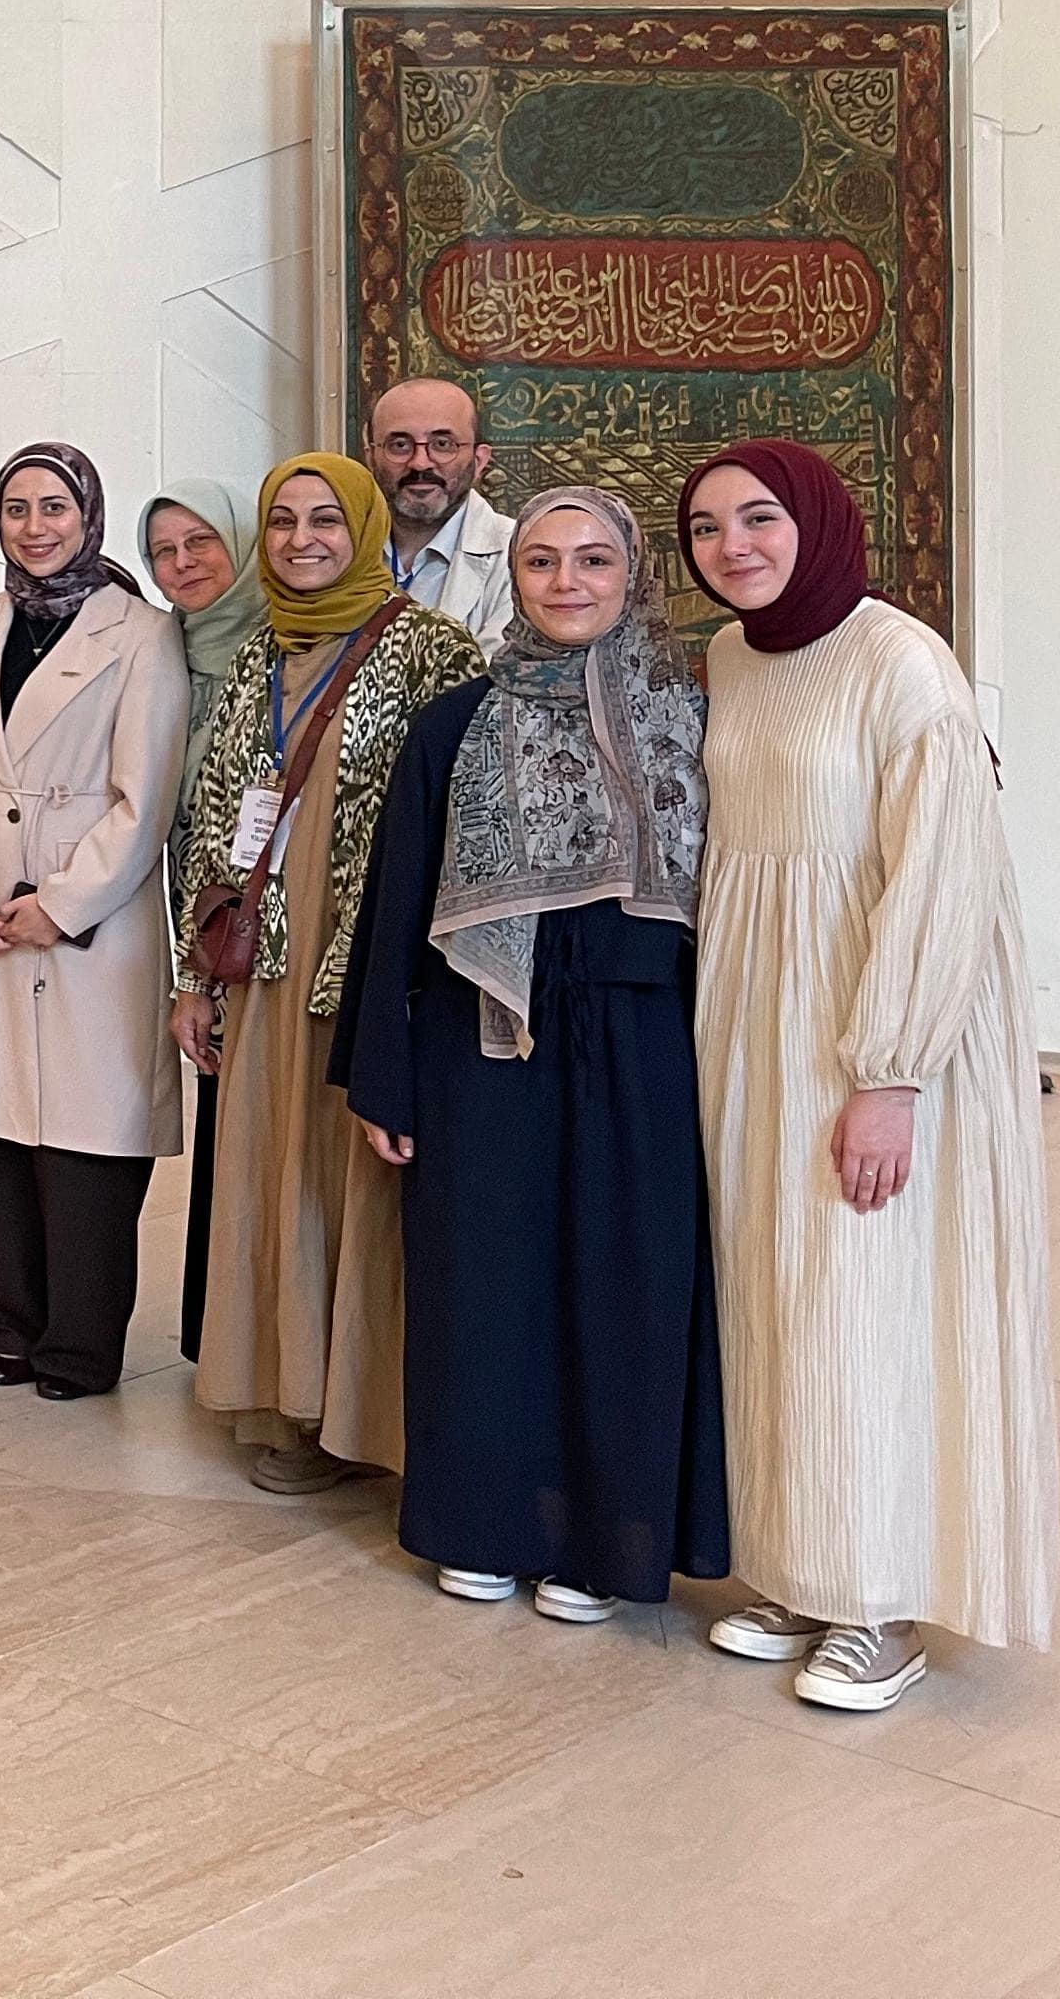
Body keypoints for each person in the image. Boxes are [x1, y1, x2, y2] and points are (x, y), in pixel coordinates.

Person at [676, 443, 1055, 1712]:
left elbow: (944, 876)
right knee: (776, 1289)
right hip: (756, 1023)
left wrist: (889, 1074)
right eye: (707, 528)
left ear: (817, 520)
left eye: (759, 518)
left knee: (864, 1295)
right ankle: (803, 1567)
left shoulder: (904, 664)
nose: (733, 546)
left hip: (871, 1021)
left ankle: (880, 1603)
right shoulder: (733, 658)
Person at [340, 486, 728, 1620]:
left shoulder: (694, 719)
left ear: (633, 573)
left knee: (625, 1285)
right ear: (513, 578)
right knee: (484, 1286)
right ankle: (483, 1523)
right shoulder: (454, 725)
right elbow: (393, 908)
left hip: (644, 1044)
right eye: (542, 561)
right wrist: (385, 1076)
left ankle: (605, 1542)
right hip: (484, 1041)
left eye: (593, 560)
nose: (568, 582)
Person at [170, 453, 484, 1493]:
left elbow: (454, 821)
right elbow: (216, 817)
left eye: (325, 521)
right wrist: (193, 978)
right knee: (274, 1175)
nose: (303, 540)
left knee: (354, 1182)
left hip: (365, 959)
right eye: (283, 522)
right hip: (264, 961)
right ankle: (289, 1403)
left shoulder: (433, 649)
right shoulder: (257, 652)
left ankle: (370, 1416)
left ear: (363, 531)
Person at [0, 446, 190, 1397]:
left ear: (87, 515)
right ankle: (6, 1329)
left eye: (54, 506)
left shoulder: (141, 633)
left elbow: (144, 801)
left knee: (84, 1144)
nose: (35, 526)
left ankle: (80, 1346)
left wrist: (59, 907)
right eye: (16, 508)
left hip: (87, 919)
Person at [143, 479, 262, 1366]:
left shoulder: (282, 643)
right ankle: (216, 1336)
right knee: (223, 1117)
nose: (182, 564)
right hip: (193, 916)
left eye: (200, 543)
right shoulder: (155, 651)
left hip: (266, 924)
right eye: (163, 551)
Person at [366, 378, 512, 652]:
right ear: (371, 458)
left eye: (443, 444)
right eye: (400, 445)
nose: (420, 463)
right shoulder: (338, 550)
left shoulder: (518, 557)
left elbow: (494, 673)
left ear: (479, 460)